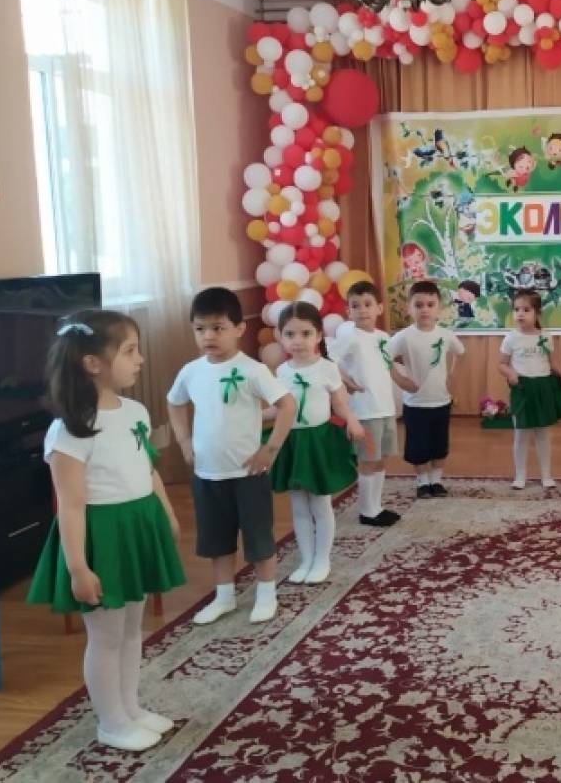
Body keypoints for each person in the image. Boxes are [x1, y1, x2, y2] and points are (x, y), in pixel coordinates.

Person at [27, 311, 185, 752]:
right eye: (130, 351)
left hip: (137, 526)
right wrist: (78, 567)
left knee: (132, 628)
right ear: (93, 363)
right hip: (102, 538)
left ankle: (129, 708)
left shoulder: (135, 411)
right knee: (107, 635)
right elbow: (71, 505)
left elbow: (147, 468)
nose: (140, 359)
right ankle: (111, 723)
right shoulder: (69, 429)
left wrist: (167, 514)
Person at [167, 287, 296, 625]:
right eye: (200, 328)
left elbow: (287, 406)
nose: (208, 336)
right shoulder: (191, 371)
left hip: (248, 474)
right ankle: (224, 596)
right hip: (208, 474)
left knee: (258, 537)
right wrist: (184, 440)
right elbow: (174, 402)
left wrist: (270, 448)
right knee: (216, 540)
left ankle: (266, 593)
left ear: (239, 328)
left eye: (218, 328)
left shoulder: (253, 370)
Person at [269, 303, 364, 585]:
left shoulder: (327, 368)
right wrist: (249, 415)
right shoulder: (281, 371)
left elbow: (339, 403)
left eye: (305, 333)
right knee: (298, 505)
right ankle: (306, 559)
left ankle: (322, 559)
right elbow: (278, 408)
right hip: (292, 442)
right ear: (280, 336)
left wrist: (352, 421)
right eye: (290, 334)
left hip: (317, 441)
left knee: (320, 503)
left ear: (319, 336)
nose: (297, 341)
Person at [388, 280, 465, 499]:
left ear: (438, 308)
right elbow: (385, 357)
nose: (425, 310)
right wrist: (400, 380)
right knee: (418, 446)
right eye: (419, 305)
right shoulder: (403, 336)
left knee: (440, 445)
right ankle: (422, 481)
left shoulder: (445, 334)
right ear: (409, 308)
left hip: (441, 401)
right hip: (415, 403)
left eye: (430, 305)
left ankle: (437, 480)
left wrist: (453, 374)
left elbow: (460, 353)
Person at [334, 280, 401, 527]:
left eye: (367, 304)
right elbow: (330, 361)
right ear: (348, 311)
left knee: (381, 458)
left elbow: (386, 367)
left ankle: (377, 506)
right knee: (368, 460)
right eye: (355, 305)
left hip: (385, 408)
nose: (362, 310)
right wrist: (346, 380)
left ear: (379, 308)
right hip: (365, 411)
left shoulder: (383, 337)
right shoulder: (351, 337)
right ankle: (367, 511)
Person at [498, 289, 561, 489]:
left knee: (543, 434)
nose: (520, 314)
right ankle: (520, 475)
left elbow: (552, 362)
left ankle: (546, 475)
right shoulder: (511, 338)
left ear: (537, 313)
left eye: (526, 310)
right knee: (521, 435)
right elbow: (502, 364)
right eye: (516, 309)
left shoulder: (545, 336)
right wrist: (510, 374)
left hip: (543, 388)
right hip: (522, 389)